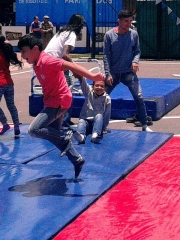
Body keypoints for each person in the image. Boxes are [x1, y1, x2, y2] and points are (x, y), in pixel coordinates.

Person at [18, 34, 105, 179]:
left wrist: (93, 77)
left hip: (59, 101)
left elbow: (70, 65)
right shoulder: (37, 63)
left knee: (34, 129)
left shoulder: (47, 61)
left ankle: (66, 136)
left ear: (34, 49)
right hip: (54, 101)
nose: (22, 56)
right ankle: (77, 160)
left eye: (24, 52)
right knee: (54, 135)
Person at [103, 10, 152, 132]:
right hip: (114, 73)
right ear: (119, 21)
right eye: (126, 21)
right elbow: (106, 56)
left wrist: (135, 61)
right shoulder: (109, 35)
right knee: (102, 97)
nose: (128, 24)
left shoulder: (134, 34)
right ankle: (99, 125)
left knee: (139, 96)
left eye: (130, 21)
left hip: (128, 73)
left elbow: (137, 51)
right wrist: (108, 74)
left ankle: (144, 124)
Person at [44, 13, 86, 128]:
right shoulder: (71, 34)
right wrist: (76, 69)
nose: (82, 27)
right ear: (78, 25)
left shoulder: (62, 32)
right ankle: (64, 121)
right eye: (81, 25)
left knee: (55, 93)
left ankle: (55, 120)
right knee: (67, 91)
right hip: (55, 64)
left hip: (46, 62)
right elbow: (65, 55)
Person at [72, 75, 111, 144]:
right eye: (97, 85)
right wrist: (80, 75)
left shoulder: (107, 99)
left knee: (99, 115)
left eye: (102, 86)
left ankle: (95, 135)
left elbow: (107, 114)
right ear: (92, 87)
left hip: (97, 123)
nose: (99, 87)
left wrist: (103, 128)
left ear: (105, 88)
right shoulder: (88, 93)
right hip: (86, 121)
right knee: (81, 121)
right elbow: (83, 82)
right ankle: (81, 136)